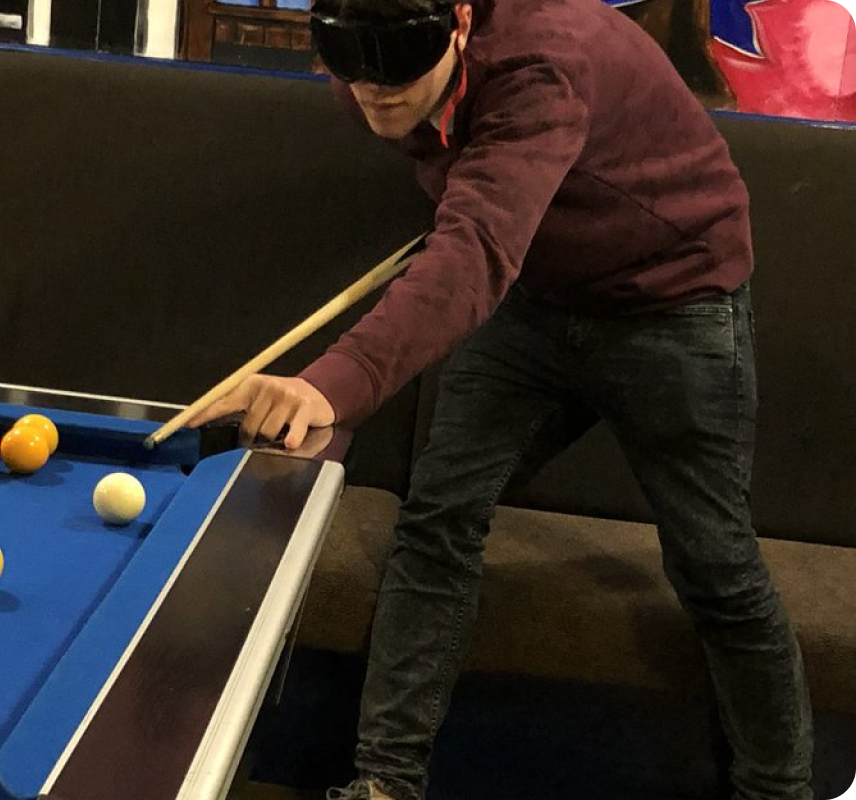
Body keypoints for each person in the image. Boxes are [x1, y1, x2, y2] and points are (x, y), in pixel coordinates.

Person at [187, 0, 815, 797]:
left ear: (458, 20)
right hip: (537, 293)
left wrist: (327, 385)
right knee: (438, 517)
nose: (373, 86)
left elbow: (476, 249)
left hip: (674, 297)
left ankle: (779, 792)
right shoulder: (373, 70)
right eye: (349, 56)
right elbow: (474, 200)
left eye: (398, 57)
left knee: (713, 564)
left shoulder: (542, 64)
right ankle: (384, 784)